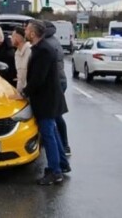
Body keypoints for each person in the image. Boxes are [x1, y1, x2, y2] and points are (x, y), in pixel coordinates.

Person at [18, 20, 70, 185]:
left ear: (33, 33)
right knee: (52, 133)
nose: (25, 31)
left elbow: (38, 79)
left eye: (27, 29)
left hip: (46, 100)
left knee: (48, 135)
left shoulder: (43, 51)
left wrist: (24, 93)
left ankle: (55, 172)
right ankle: (62, 164)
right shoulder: (42, 48)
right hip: (49, 98)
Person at [44, 21, 71, 157]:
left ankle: (64, 145)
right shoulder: (51, 40)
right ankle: (63, 144)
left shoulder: (48, 44)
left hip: (57, 82)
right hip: (59, 80)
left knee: (55, 115)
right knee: (54, 114)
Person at [12, 26, 31, 94]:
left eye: (13, 36)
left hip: (30, 92)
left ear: (18, 38)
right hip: (21, 92)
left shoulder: (30, 51)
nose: (11, 39)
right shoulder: (17, 53)